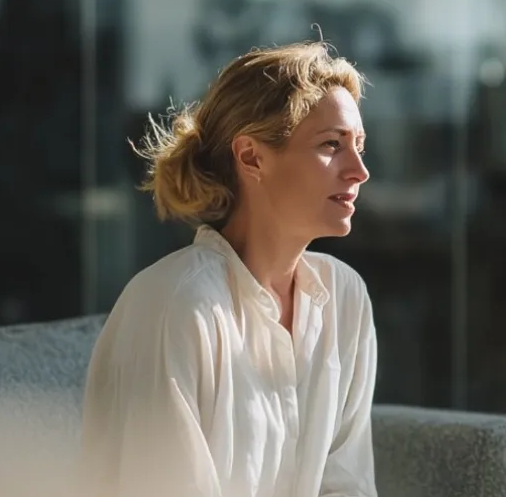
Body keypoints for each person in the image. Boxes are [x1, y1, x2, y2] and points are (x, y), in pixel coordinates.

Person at [81, 41, 378, 497]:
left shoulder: (344, 298)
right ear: (252, 157)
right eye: (331, 145)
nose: (359, 171)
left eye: (358, 146)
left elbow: (348, 485)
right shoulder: (177, 304)